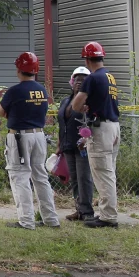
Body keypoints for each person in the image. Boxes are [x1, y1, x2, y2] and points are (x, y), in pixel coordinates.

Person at [0, 51, 60, 229]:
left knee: (20, 177)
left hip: (19, 138)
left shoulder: (15, 91)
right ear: (35, 70)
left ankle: (26, 220)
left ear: (19, 69)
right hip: (39, 136)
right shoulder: (42, 90)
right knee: (40, 177)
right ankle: (51, 219)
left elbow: (0, 112)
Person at [70, 41, 121, 228]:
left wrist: (82, 104)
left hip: (101, 129)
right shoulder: (110, 77)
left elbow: (76, 105)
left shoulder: (92, 78)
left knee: (102, 172)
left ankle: (108, 216)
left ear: (87, 60)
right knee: (109, 172)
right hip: (114, 126)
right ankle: (109, 212)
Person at [58, 67, 95, 222]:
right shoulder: (65, 101)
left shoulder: (90, 103)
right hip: (67, 145)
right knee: (74, 178)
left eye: (84, 80)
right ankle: (78, 209)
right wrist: (59, 145)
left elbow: (93, 123)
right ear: (72, 82)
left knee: (84, 177)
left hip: (82, 146)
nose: (79, 83)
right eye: (77, 80)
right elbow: (62, 124)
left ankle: (87, 212)